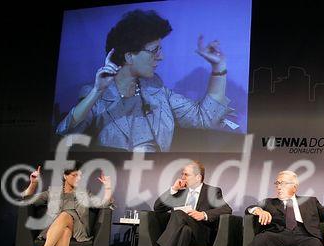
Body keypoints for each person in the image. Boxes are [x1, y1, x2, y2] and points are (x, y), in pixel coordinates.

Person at [56, 9, 232, 152]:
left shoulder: (156, 89)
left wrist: (219, 67)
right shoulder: (95, 94)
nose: (161, 57)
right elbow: (64, 134)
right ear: (130, 56)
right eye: (154, 50)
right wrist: (97, 92)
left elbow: (204, 117)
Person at [21, 162, 113, 246]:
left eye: (80, 176)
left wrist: (108, 187)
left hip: (78, 229)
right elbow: (27, 199)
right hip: (54, 230)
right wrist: (33, 183)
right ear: (65, 176)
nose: (79, 178)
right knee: (64, 232)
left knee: (65, 214)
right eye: (75, 175)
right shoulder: (53, 191)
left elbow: (105, 204)